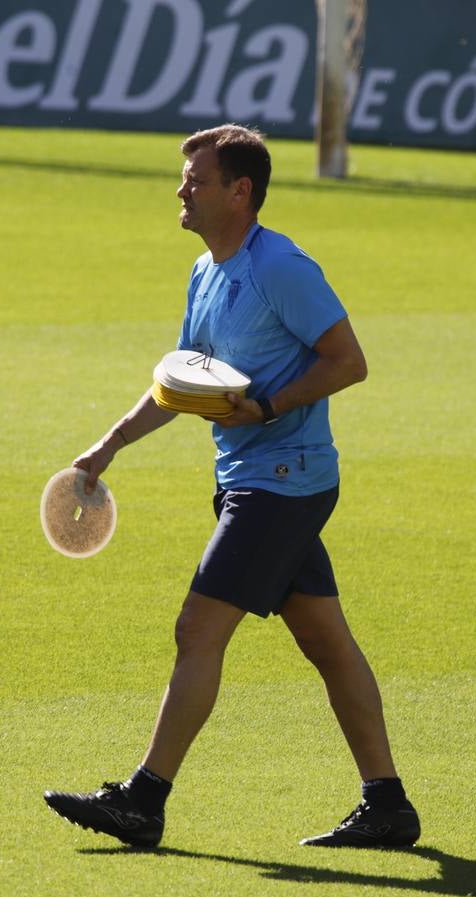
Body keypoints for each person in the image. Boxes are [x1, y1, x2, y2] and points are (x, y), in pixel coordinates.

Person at [43, 124, 419, 850]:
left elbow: (349, 361)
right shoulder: (205, 270)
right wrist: (110, 444)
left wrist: (271, 407)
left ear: (240, 192)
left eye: (197, 179)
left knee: (197, 628)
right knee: (326, 640)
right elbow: (184, 380)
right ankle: (389, 804)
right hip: (249, 478)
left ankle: (144, 800)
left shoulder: (281, 266)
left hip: (284, 481)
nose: (182, 189)